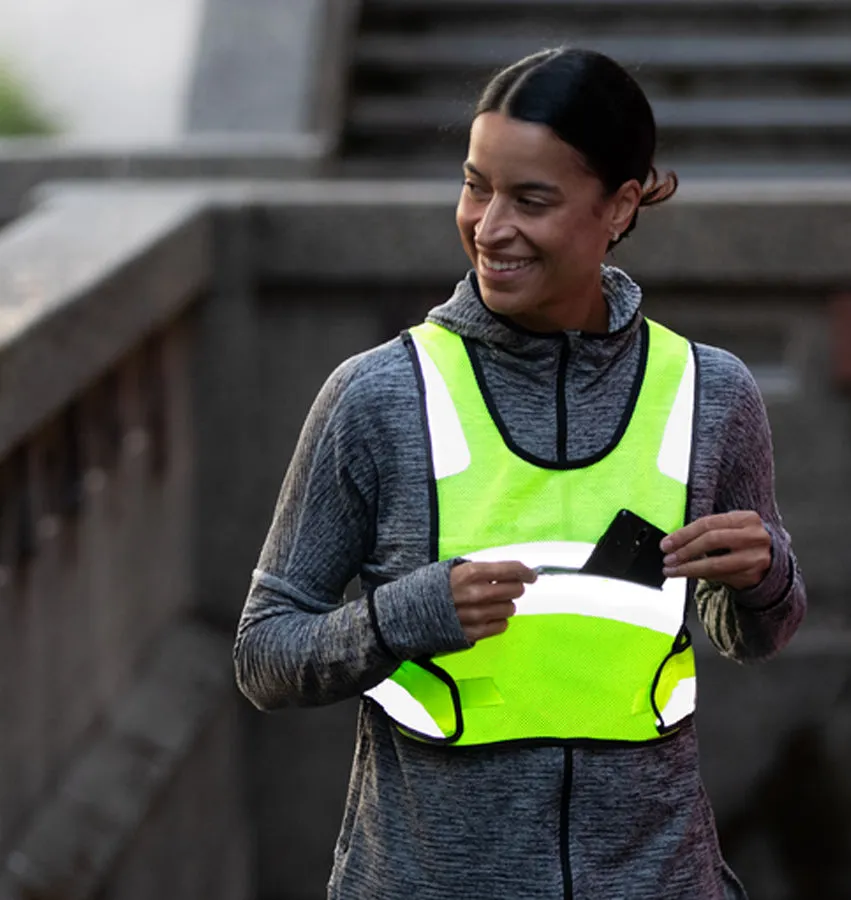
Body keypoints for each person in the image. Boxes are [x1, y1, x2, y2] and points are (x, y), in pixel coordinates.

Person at [234, 47, 806, 900]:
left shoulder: (710, 391)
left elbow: (754, 635)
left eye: (531, 199)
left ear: (618, 206)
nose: (489, 226)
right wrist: (406, 614)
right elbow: (263, 654)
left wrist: (765, 575)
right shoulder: (379, 395)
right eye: (476, 186)